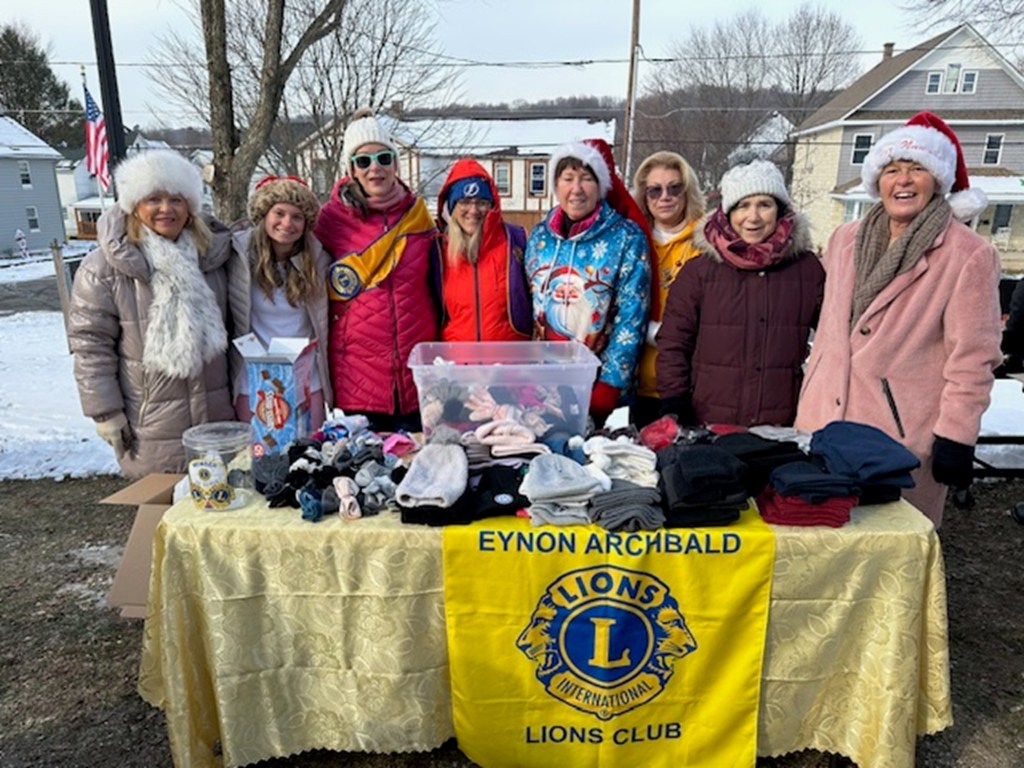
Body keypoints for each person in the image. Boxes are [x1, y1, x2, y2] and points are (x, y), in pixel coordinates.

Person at [795, 111, 1001, 527]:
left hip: (899, 437)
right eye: (892, 169)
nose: (902, 180)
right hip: (822, 422)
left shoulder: (968, 255)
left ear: (938, 180)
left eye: (917, 169)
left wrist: (956, 436)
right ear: (877, 180)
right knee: (819, 551)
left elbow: (974, 359)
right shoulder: (844, 240)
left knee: (889, 558)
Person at [68, 150, 234, 477]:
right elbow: (90, 344)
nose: (165, 209)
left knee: (217, 517)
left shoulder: (214, 258)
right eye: (153, 198)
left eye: (176, 199)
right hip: (151, 424)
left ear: (190, 207)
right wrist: (105, 412)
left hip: (218, 418)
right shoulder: (103, 268)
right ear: (134, 205)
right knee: (158, 519)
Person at [656, 156, 824, 429]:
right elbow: (674, 343)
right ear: (727, 213)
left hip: (782, 426)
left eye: (764, 205)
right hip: (709, 422)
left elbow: (834, 341)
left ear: (780, 211)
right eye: (742, 206)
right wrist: (675, 401)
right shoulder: (699, 273)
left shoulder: (807, 271)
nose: (753, 217)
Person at [314, 108, 439, 432]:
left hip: (416, 377)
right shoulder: (331, 220)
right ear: (351, 169)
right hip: (357, 380)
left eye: (384, 158)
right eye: (364, 161)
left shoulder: (419, 217)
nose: (375, 169)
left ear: (396, 163)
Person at [525, 138, 651, 429]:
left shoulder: (626, 238)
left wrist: (610, 384)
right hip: (547, 389)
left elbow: (632, 316)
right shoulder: (540, 238)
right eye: (568, 178)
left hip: (600, 390)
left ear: (601, 186)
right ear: (556, 185)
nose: (576, 189)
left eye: (586, 179)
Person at [228, 175, 331, 429]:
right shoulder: (237, 256)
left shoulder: (319, 258)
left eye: (297, 216)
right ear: (264, 214)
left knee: (307, 457)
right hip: (255, 379)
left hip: (306, 380)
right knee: (259, 459)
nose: (287, 223)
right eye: (279, 213)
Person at [629, 150, 706, 427]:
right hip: (641, 384)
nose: (665, 197)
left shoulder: (707, 242)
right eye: (655, 190)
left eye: (675, 188)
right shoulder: (632, 242)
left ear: (688, 192)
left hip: (691, 384)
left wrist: (667, 334)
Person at [435, 158, 531, 341]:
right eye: (464, 201)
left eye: (481, 202)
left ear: (492, 205)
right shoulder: (438, 251)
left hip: (510, 362)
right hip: (457, 362)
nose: (473, 210)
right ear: (452, 207)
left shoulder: (517, 242)